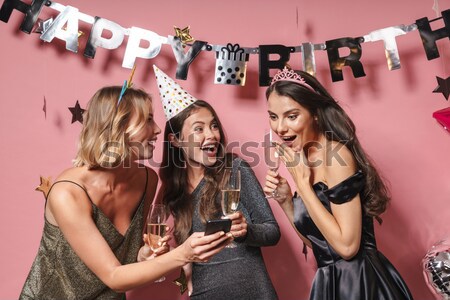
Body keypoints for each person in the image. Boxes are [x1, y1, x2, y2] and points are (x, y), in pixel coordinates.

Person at [20, 85, 231, 300]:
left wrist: (143, 254)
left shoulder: (147, 180)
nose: (158, 129)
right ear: (118, 128)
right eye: (148, 120)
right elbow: (113, 275)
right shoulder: (68, 193)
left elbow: (124, 262)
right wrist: (183, 254)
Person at [263, 66, 413, 300]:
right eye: (273, 116)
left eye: (292, 116)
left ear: (314, 113)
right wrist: (285, 202)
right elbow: (320, 245)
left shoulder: (336, 156)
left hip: (359, 283)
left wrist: (302, 185)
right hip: (329, 282)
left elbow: (347, 247)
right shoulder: (306, 157)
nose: (280, 127)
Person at [153, 65, 280, 299]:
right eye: (199, 129)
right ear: (176, 140)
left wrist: (247, 231)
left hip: (253, 292)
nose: (212, 135)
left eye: (213, 125)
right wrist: (176, 260)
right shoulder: (172, 190)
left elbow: (272, 232)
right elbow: (174, 247)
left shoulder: (235, 169)